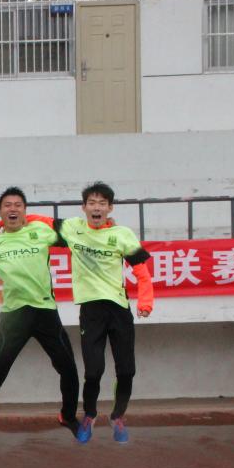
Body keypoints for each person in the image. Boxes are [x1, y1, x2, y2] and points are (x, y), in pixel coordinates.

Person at [0, 187, 80, 455]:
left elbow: (73, 234)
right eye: (7, 205)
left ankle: (68, 416)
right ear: (0, 212)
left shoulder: (41, 232)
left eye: (18, 205)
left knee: (68, 369)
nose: (12, 209)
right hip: (14, 316)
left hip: (45, 312)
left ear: (25, 210)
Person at [55, 182, 154, 444]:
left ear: (110, 208)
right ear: (83, 207)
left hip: (119, 309)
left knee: (127, 370)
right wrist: (9, 221)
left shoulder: (122, 234)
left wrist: (146, 302)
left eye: (102, 203)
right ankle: (89, 415)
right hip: (91, 310)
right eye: (92, 203)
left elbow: (142, 272)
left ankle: (118, 417)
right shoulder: (73, 228)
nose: (96, 208)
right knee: (93, 371)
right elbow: (41, 223)